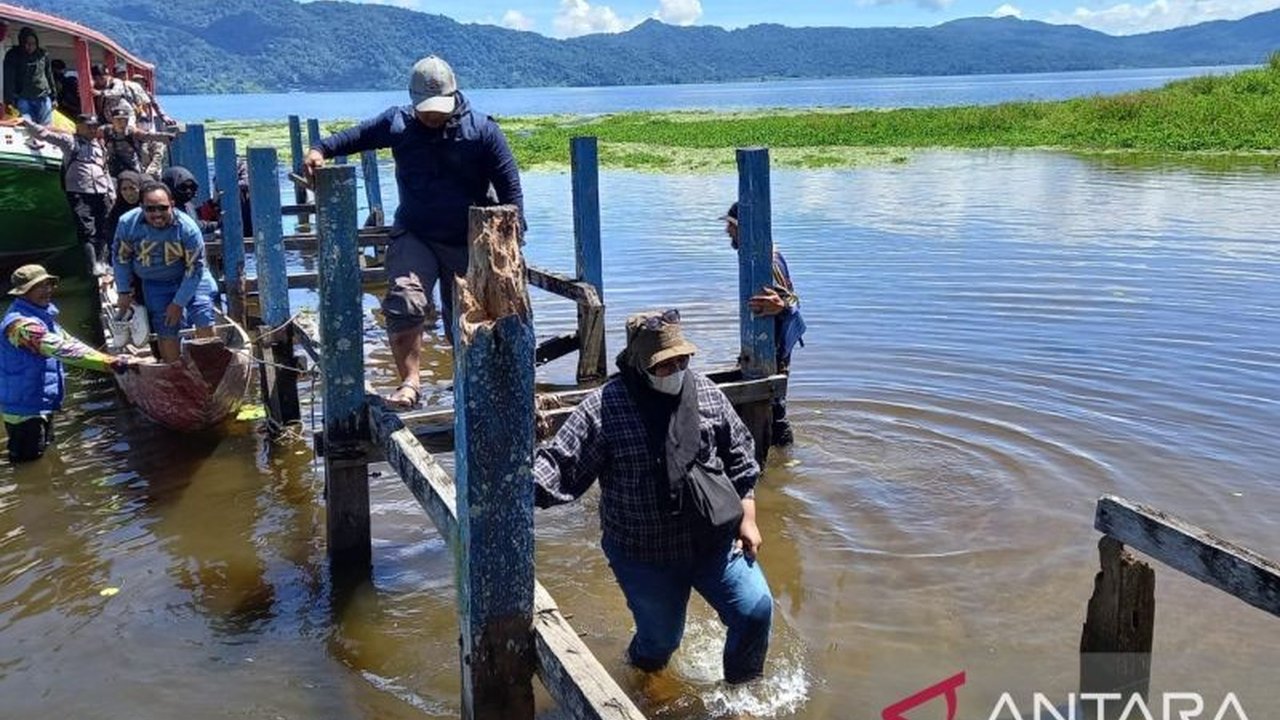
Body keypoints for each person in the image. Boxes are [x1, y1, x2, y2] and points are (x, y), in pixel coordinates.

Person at [534, 310, 773, 685]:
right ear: (639, 364)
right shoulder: (604, 408)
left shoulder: (707, 394)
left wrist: (749, 518)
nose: (677, 369)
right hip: (644, 552)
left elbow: (741, 458)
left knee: (755, 610)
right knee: (660, 642)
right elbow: (560, 465)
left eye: (683, 360)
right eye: (665, 364)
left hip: (713, 541)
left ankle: (741, 692)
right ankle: (641, 680)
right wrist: (512, 490)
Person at [304, 54, 524, 409]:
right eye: (426, 109)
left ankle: (472, 384)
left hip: (468, 240)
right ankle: (410, 382)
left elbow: (510, 190)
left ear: (455, 96)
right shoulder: (397, 123)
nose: (433, 115)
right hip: (416, 232)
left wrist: (513, 246)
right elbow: (353, 137)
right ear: (412, 100)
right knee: (405, 301)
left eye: (440, 108)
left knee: (468, 319)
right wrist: (318, 149)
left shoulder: (483, 131)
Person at [0, 265, 134, 462]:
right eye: (39, 287)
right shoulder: (20, 325)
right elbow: (59, 348)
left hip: (41, 404)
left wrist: (108, 359)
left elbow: (70, 342)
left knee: (45, 459)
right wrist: (108, 363)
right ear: (24, 293)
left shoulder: (44, 316)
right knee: (27, 465)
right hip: (24, 411)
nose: (47, 291)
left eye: (48, 285)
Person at [721, 202, 807, 446]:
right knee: (770, 407)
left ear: (744, 230)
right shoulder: (760, 255)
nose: (727, 231)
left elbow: (791, 300)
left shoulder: (767, 261)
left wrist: (783, 306)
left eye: (732, 225)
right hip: (771, 347)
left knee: (775, 410)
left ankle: (781, 461)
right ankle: (779, 467)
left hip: (774, 351)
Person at [113, 182, 218, 362]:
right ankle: (174, 370)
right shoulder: (127, 224)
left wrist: (178, 303)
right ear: (141, 207)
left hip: (191, 277)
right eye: (150, 209)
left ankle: (208, 366)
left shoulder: (188, 229)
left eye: (162, 208)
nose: (157, 214)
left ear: (172, 204)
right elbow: (121, 259)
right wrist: (123, 291)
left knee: (202, 314)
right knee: (166, 326)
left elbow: (195, 269)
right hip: (155, 283)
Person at [20, 113, 114, 268]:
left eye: (95, 127)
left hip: (101, 191)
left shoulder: (99, 145)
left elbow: (105, 171)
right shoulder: (70, 141)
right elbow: (43, 134)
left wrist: (111, 192)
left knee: (104, 228)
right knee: (87, 230)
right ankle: (93, 265)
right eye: (89, 127)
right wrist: (27, 121)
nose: (93, 130)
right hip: (80, 191)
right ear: (79, 127)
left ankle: (104, 261)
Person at [2, 27, 56, 125]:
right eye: (26, 43)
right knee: (28, 128)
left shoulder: (43, 54)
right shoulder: (13, 55)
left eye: (33, 44)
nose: (30, 46)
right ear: (21, 42)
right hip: (23, 98)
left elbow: (49, 75)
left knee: (46, 129)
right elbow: (8, 79)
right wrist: (9, 100)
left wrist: (54, 97)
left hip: (43, 97)